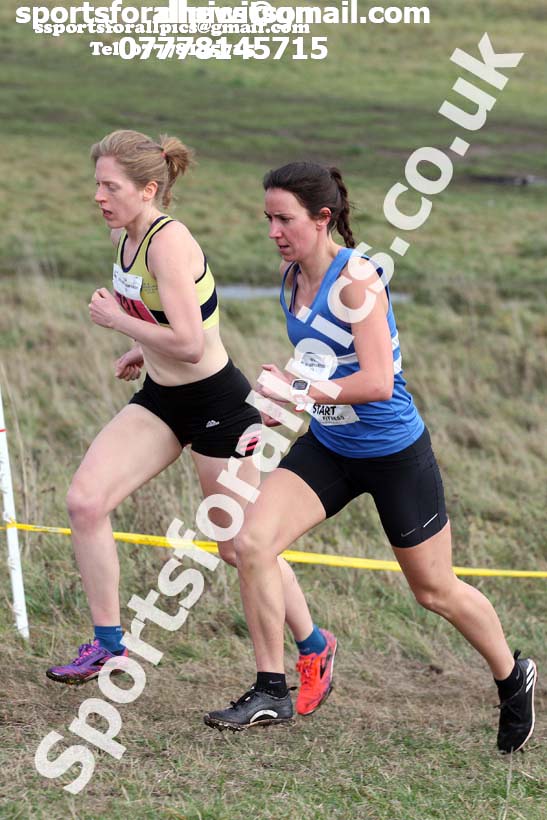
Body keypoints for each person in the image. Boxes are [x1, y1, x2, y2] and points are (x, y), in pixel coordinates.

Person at [204, 161, 537, 755]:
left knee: (434, 591)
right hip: (331, 446)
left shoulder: (356, 279)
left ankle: (513, 678)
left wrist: (299, 392)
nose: (274, 231)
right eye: (268, 219)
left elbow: (379, 382)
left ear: (322, 218)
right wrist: (284, 395)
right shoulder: (290, 276)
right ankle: (271, 687)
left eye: (285, 219)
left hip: (393, 454)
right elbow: (321, 363)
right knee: (250, 544)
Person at [46, 133, 333, 698]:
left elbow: (192, 344)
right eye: (97, 183)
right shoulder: (122, 234)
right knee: (85, 501)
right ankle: (108, 647)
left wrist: (119, 323)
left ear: (148, 189)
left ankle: (314, 645)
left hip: (217, 407)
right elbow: (168, 317)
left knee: (238, 546)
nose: (99, 195)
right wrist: (141, 348)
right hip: (162, 399)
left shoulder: (168, 242)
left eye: (111, 186)